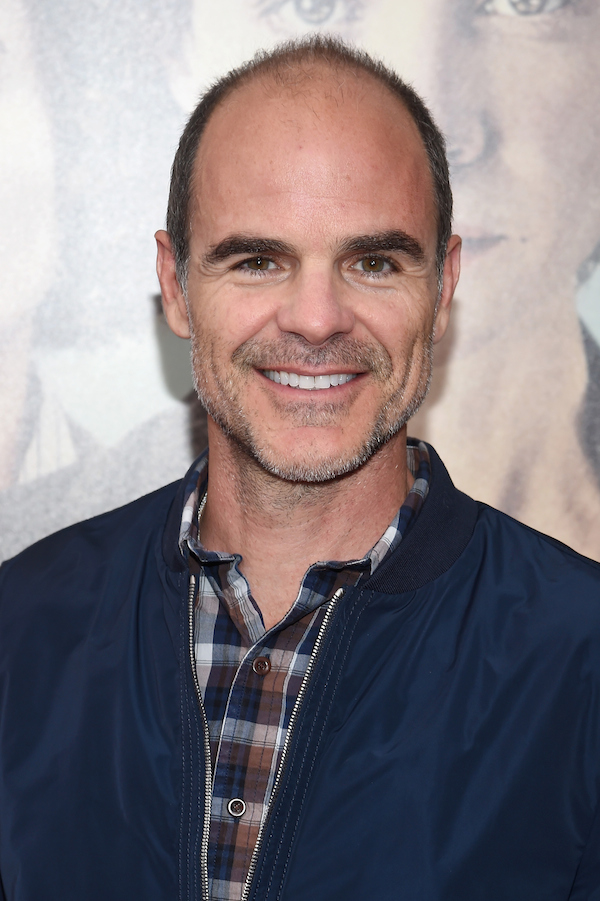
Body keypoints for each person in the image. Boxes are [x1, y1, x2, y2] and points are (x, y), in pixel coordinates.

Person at [1, 35, 600, 901]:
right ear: (176, 285)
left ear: (441, 288)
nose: (317, 319)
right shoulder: (23, 628)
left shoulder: (580, 658)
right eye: (258, 260)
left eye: (373, 262)